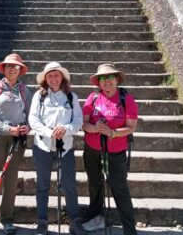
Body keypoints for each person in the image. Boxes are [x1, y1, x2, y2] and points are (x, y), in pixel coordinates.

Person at [28, 62, 87, 235]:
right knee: (42, 185)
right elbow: (33, 120)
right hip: (43, 147)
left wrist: (66, 129)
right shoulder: (39, 96)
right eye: (50, 75)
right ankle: (42, 221)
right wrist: (49, 132)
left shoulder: (71, 97)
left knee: (69, 185)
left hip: (65, 147)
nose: (53, 79)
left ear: (62, 77)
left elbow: (77, 120)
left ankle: (74, 221)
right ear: (45, 78)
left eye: (56, 75)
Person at [82, 63, 138, 235]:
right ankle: (96, 218)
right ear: (98, 82)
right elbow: (84, 124)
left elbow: (131, 127)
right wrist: (95, 128)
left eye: (110, 78)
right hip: (92, 149)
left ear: (116, 79)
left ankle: (129, 230)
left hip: (116, 151)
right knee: (94, 184)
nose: (106, 81)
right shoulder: (92, 97)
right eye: (102, 78)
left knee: (119, 188)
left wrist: (112, 132)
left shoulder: (126, 99)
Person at [0, 53, 32, 234]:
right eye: (9, 66)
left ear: (20, 70)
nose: (12, 69)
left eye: (16, 66)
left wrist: (27, 127)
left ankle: (7, 219)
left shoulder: (25, 91)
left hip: (17, 139)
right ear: (4, 68)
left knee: (11, 179)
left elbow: (31, 117)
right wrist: (6, 128)